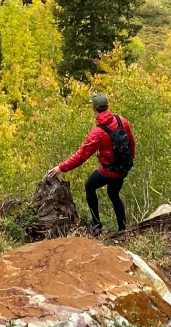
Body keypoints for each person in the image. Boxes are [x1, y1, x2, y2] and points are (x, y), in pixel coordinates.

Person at [46, 93, 136, 233]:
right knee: (113, 194)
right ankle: (122, 229)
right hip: (123, 168)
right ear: (108, 106)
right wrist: (129, 161)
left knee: (89, 185)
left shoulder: (98, 133)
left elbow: (81, 156)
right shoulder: (121, 120)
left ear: (94, 108)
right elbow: (131, 143)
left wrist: (61, 167)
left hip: (109, 171)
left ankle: (97, 225)